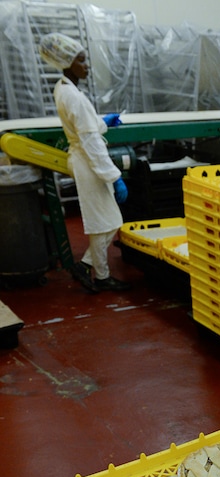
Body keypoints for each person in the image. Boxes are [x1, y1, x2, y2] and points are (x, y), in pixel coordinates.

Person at [38, 33, 130, 292]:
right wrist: (114, 176)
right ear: (67, 63)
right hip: (88, 163)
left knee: (105, 221)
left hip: (82, 159)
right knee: (106, 221)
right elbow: (91, 142)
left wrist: (102, 122)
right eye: (81, 60)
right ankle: (99, 274)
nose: (86, 65)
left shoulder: (64, 88)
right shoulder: (74, 96)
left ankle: (92, 269)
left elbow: (85, 127)